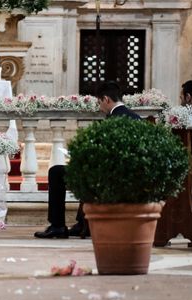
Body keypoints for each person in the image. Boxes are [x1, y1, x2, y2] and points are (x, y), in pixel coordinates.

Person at [34, 81, 141, 239]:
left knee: (56, 172)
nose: (99, 107)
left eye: (99, 102)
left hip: (107, 178)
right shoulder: (136, 118)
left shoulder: (113, 120)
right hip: (128, 176)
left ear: (106, 99)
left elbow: (101, 154)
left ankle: (57, 226)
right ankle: (82, 223)